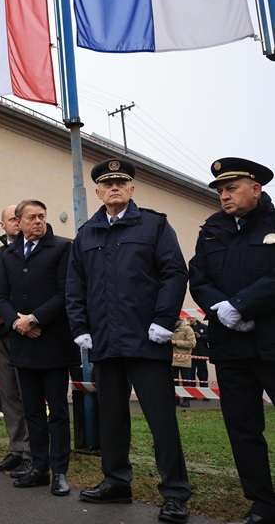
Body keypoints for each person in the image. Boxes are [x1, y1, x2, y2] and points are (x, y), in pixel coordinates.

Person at [67, 158, 191, 523]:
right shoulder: (86, 234)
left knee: (161, 421)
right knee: (112, 419)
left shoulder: (154, 225)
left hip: (147, 340)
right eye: (108, 184)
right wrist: (80, 327)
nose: (115, 187)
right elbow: (74, 286)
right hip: (105, 341)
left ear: (132, 188)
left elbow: (174, 272)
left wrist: (164, 320)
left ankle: (175, 493)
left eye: (121, 182)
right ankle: (117, 481)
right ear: (98, 192)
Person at [189, 157, 275, 524]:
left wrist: (240, 305)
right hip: (230, 346)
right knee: (242, 426)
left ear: (256, 188)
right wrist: (219, 307)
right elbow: (198, 276)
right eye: (220, 190)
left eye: (231, 188)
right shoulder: (211, 229)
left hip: (271, 340)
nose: (224, 196)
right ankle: (262, 502)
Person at [0, 200, 79, 497]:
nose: (38, 221)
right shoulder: (8, 254)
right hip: (22, 344)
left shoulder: (61, 248)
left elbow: (65, 292)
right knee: (32, 412)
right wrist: (17, 321)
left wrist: (35, 318)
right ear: (19, 221)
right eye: (32, 217)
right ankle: (39, 468)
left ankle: (60, 472)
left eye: (42, 216)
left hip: (52, 343)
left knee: (56, 412)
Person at [0, 204, 32, 476]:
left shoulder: (37, 250)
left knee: (29, 395)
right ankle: (16, 449)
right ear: (3, 225)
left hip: (27, 333)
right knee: (9, 395)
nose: (16, 222)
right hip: (1, 333)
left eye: (19, 217)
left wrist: (9, 313)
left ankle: (33, 451)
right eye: (12, 219)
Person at [171, 319, 196, 408]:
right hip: (173, 359)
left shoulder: (187, 329)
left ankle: (186, 400)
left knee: (186, 381)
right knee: (174, 382)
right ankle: (175, 400)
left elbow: (192, 343)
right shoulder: (171, 328)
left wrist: (176, 342)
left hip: (184, 359)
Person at [189, 318, 210, 393]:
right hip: (190, 354)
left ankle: (205, 392)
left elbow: (210, 338)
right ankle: (192, 392)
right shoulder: (187, 328)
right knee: (191, 373)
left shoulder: (204, 326)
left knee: (203, 373)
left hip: (202, 354)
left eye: (191, 318)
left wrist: (200, 336)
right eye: (188, 318)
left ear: (195, 318)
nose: (190, 319)